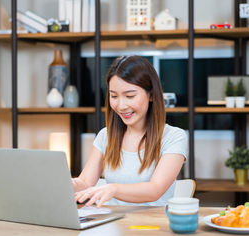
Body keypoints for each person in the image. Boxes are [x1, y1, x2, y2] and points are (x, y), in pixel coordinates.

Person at [73, 55, 188, 207]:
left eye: (130, 96)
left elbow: (155, 189)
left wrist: (113, 189)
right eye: (114, 96)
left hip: (155, 226)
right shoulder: (105, 136)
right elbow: (85, 182)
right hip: (112, 225)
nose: (121, 106)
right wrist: (62, 183)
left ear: (151, 94)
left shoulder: (173, 137)